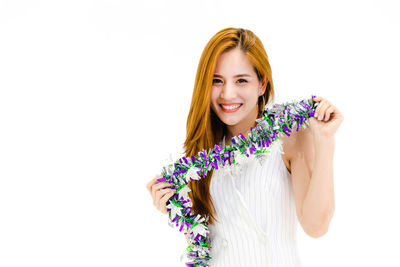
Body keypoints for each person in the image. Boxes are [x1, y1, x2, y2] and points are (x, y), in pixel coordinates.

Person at [146, 27, 344, 266]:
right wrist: (172, 207)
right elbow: (208, 243)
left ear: (262, 84)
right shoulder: (200, 157)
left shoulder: (289, 139)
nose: (228, 94)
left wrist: (325, 141)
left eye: (241, 80)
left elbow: (316, 226)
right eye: (216, 81)